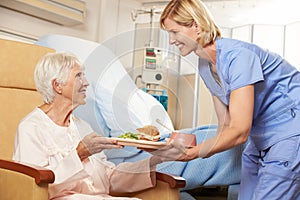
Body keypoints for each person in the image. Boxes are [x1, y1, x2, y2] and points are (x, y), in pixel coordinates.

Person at [157, 0, 300, 199]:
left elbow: (240, 131)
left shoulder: (238, 56)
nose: (171, 40)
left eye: (174, 32)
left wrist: (194, 153)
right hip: (261, 139)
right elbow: (225, 124)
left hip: (290, 133)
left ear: (196, 26)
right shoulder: (205, 65)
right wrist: (186, 149)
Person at [12, 52, 181, 200]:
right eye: (78, 76)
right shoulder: (31, 128)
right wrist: (80, 154)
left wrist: (157, 159)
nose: (86, 83)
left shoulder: (82, 126)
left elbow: (109, 178)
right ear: (58, 86)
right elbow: (34, 188)